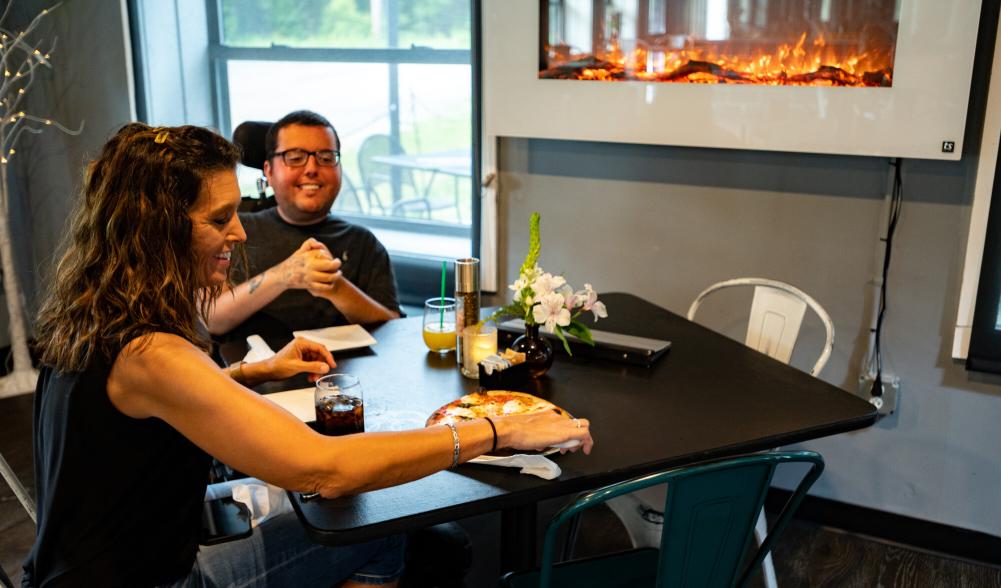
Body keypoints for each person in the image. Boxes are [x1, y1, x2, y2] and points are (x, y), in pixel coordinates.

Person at [24, 123, 593, 587]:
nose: (238, 234)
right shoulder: (150, 350)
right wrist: (499, 432)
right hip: (151, 579)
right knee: (373, 521)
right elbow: (328, 470)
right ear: (157, 228)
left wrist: (250, 371)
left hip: (75, 564)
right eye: (219, 219)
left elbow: (146, 408)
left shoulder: (93, 312)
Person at [206, 110, 400, 336]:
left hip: (343, 369)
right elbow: (210, 320)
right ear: (268, 171)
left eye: (326, 158)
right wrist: (284, 275)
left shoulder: (362, 242)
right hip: (254, 367)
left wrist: (335, 286)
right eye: (295, 158)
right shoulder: (236, 232)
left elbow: (394, 330)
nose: (311, 169)